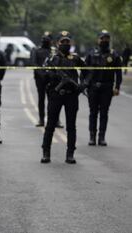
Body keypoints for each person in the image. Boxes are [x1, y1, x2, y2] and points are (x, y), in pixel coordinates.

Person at [41, 31, 87, 164]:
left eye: (68, 42)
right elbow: (43, 74)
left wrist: (83, 85)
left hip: (71, 95)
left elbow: (88, 71)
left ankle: (70, 154)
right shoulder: (51, 58)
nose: (66, 44)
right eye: (63, 42)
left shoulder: (76, 58)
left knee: (71, 126)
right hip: (56, 95)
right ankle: (46, 152)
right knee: (50, 125)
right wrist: (52, 75)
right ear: (57, 43)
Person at [85, 30, 122, 146]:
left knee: (104, 112)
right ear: (98, 40)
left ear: (109, 40)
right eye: (102, 38)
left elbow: (118, 73)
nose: (104, 41)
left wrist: (117, 87)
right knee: (93, 112)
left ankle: (101, 137)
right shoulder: (91, 53)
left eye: (106, 38)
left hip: (107, 87)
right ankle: (92, 137)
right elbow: (84, 71)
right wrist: (84, 84)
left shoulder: (114, 54)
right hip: (93, 87)